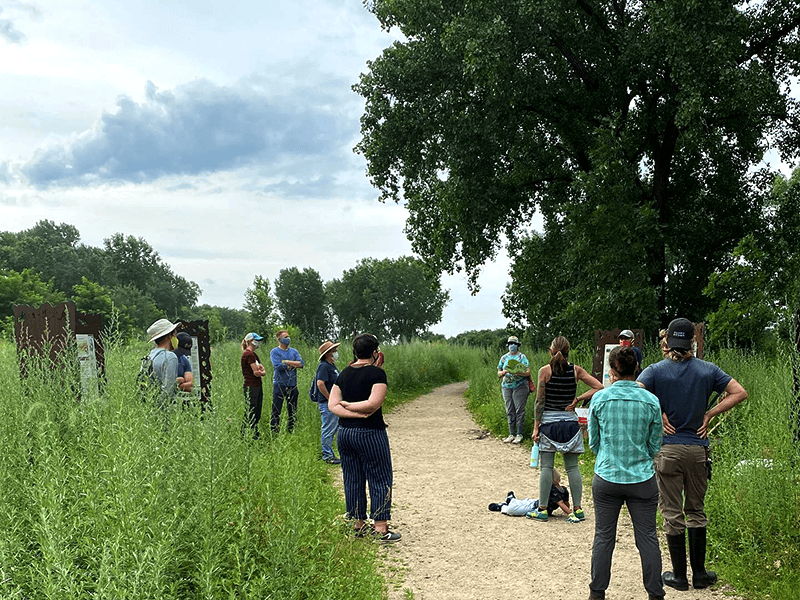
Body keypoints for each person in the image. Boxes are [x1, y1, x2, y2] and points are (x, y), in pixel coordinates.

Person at [638, 318, 747, 591]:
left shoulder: (655, 371)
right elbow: (739, 392)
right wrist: (710, 413)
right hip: (698, 448)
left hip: (668, 449)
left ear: (668, 343)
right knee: (696, 510)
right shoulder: (708, 370)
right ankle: (699, 574)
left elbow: (636, 393)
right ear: (692, 343)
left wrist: (658, 412)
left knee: (672, 512)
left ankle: (678, 576)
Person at [588, 345, 665, 600]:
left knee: (603, 536)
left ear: (612, 372)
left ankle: (597, 593)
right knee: (647, 538)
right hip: (642, 479)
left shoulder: (600, 398)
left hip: (607, 476)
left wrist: (608, 456)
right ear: (637, 370)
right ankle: (655, 594)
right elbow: (655, 443)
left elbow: (594, 442)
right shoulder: (651, 401)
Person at [328, 333, 400, 543]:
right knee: (379, 477)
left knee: (352, 477)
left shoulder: (344, 374)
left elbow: (333, 405)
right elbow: (372, 404)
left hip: (345, 433)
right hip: (370, 432)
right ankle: (380, 527)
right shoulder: (376, 375)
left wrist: (347, 407)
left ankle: (357, 523)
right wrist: (360, 411)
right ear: (375, 352)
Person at [530, 336, 603, 522]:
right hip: (570, 424)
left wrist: (536, 427)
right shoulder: (576, 371)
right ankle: (577, 509)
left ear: (550, 351)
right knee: (572, 468)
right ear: (568, 351)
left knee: (546, 467)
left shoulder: (544, 371)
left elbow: (539, 402)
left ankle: (543, 509)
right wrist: (578, 399)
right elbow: (599, 386)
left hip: (549, 424)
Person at [488, 469, 573, 519]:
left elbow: (563, 502)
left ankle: (510, 500)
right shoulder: (559, 490)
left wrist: (568, 511)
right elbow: (564, 503)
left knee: (522, 504)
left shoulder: (559, 490)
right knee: (514, 510)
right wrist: (568, 511)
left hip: (536, 505)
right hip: (535, 506)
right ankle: (503, 506)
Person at [496, 335, 531, 443]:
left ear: (517, 345)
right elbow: (498, 371)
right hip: (506, 386)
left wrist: (516, 372)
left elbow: (527, 372)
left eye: (514, 344)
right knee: (509, 410)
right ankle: (511, 434)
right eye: (511, 344)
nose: (512, 346)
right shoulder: (504, 358)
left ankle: (519, 434)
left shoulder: (522, 357)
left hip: (520, 385)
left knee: (519, 409)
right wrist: (502, 373)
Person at [269, 329, 304, 434]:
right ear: (279, 340)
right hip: (279, 384)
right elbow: (278, 366)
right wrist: (293, 365)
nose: (288, 338)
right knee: (276, 409)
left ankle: (291, 430)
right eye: (285, 337)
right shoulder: (274, 351)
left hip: (292, 385)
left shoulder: (294, 351)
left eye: (288, 336)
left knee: (292, 410)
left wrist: (287, 362)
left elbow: (301, 364)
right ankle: (274, 431)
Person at [314, 340, 341, 464]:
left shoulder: (331, 366)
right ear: (328, 354)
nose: (336, 353)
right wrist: (329, 397)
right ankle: (327, 456)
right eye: (333, 351)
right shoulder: (324, 366)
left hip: (333, 403)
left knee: (333, 428)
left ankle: (330, 454)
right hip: (327, 403)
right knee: (328, 429)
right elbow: (320, 383)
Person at [145, 318, 181, 409]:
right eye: (175, 334)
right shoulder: (170, 357)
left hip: (148, 407)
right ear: (169, 335)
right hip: (163, 410)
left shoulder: (148, 357)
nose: (176, 338)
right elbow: (169, 389)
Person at [241, 332, 266, 439]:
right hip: (251, 386)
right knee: (251, 410)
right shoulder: (248, 355)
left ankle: (252, 432)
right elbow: (257, 372)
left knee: (256, 410)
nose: (258, 342)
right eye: (257, 340)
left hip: (257, 385)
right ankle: (249, 434)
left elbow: (262, 369)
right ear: (251, 341)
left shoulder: (254, 355)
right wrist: (261, 372)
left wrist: (261, 371)